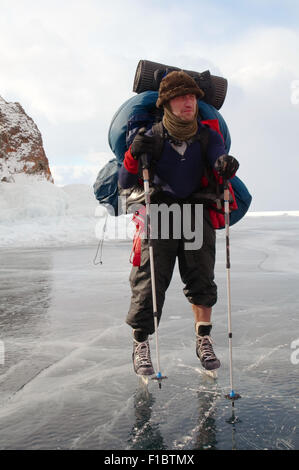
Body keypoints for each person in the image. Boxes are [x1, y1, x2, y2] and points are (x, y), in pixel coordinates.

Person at [118, 70, 239, 376]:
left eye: (192, 97)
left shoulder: (208, 135)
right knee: (149, 282)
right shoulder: (153, 136)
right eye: (181, 98)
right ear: (167, 103)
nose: (188, 103)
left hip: (196, 212)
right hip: (159, 214)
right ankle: (141, 344)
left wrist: (225, 165)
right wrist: (134, 152)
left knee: (201, 278)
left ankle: (203, 339)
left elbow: (217, 156)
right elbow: (125, 179)